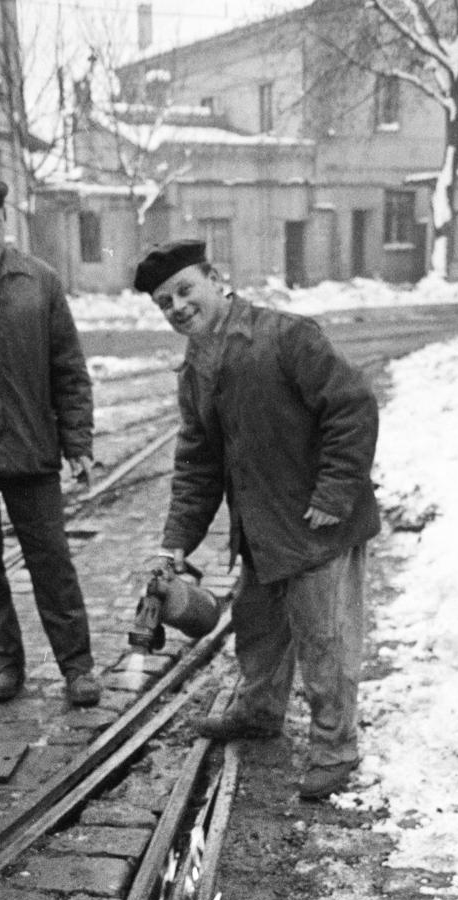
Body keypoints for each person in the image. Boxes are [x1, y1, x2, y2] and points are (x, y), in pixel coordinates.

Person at [133, 239, 380, 801]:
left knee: (325, 642)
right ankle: (260, 710)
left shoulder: (287, 337)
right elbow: (197, 464)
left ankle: (334, 749)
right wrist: (176, 544)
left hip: (319, 526)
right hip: (263, 532)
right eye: (164, 302)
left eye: (185, 290)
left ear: (216, 279)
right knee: (261, 629)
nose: (177, 307)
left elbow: (352, 407)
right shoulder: (195, 369)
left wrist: (336, 492)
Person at [0, 176, 101, 708]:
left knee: (52, 562)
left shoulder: (39, 282)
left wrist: (77, 441)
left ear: (6, 224)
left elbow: (69, 369)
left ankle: (78, 667)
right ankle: (5, 663)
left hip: (31, 453)